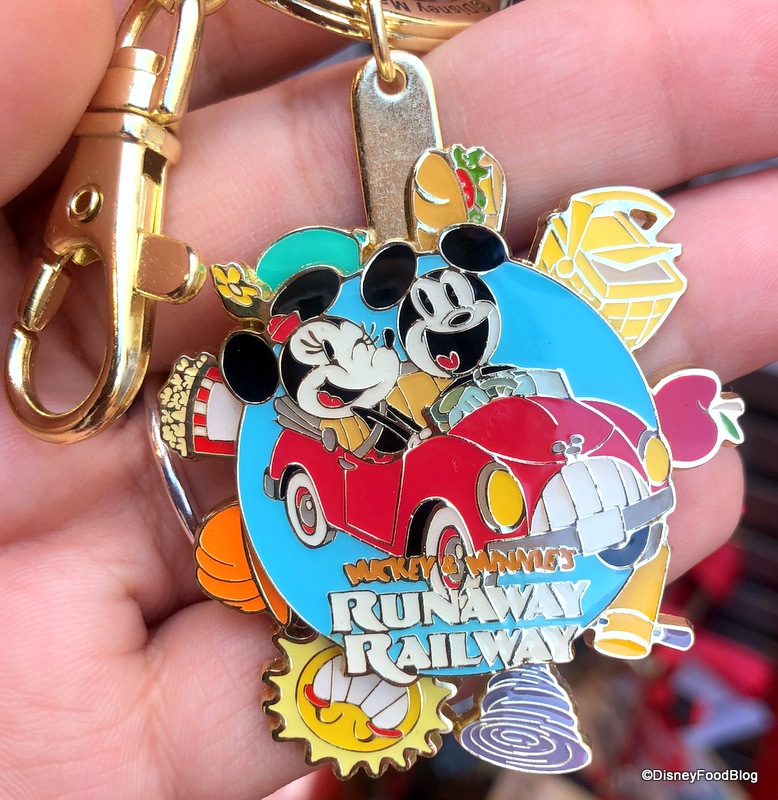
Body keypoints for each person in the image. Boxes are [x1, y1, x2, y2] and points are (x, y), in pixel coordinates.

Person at [0, 0, 765, 796]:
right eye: (320, 353)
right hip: (399, 480)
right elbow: (396, 441)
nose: (352, 350)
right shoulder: (327, 429)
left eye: (350, 338)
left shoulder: (430, 372)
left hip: (511, 464)